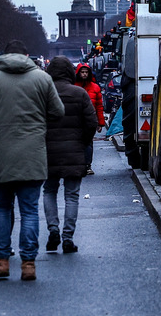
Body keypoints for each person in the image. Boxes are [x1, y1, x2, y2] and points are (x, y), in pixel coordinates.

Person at [0, 39, 64, 281]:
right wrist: (38, 127)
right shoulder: (42, 78)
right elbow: (58, 112)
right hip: (32, 152)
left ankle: (2, 262)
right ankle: (28, 264)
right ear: (27, 55)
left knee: (1, 207)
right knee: (30, 210)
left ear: (4, 55)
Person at [43, 57, 98, 254]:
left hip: (48, 152)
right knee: (72, 195)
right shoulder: (80, 93)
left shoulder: (43, 94)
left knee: (49, 190)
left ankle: (53, 230)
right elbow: (91, 123)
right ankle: (68, 237)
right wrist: (82, 142)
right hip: (74, 151)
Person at [74, 62, 105, 175]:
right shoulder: (73, 86)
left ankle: (87, 165)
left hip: (88, 120)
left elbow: (99, 106)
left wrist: (100, 123)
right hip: (76, 120)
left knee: (88, 143)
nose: (84, 74)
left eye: (86, 72)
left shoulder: (95, 87)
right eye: (82, 72)